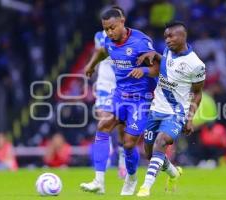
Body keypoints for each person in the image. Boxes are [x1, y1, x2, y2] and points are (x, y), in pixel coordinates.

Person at [80, 6, 159, 195]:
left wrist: (145, 71)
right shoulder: (109, 40)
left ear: (122, 21)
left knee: (129, 143)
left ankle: (131, 177)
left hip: (141, 99)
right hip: (120, 95)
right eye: (106, 29)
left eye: (112, 28)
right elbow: (102, 51)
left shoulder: (140, 42)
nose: (109, 32)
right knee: (103, 126)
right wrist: (91, 65)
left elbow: (158, 67)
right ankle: (99, 181)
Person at [135, 21, 206, 197]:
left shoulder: (196, 64)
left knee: (161, 142)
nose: (167, 40)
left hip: (176, 113)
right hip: (155, 109)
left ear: (183, 36)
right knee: (150, 154)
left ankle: (146, 187)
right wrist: (155, 55)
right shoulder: (167, 51)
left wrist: (189, 119)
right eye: (166, 36)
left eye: (171, 36)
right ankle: (174, 173)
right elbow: (166, 63)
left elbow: (197, 93)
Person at [93, 6, 127, 179]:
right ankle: (106, 150)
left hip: (122, 86)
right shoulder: (100, 37)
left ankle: (122, 158)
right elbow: (99, 55)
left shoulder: (131, 38)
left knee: (122, 127)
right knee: (104, 120)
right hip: (105, 85)